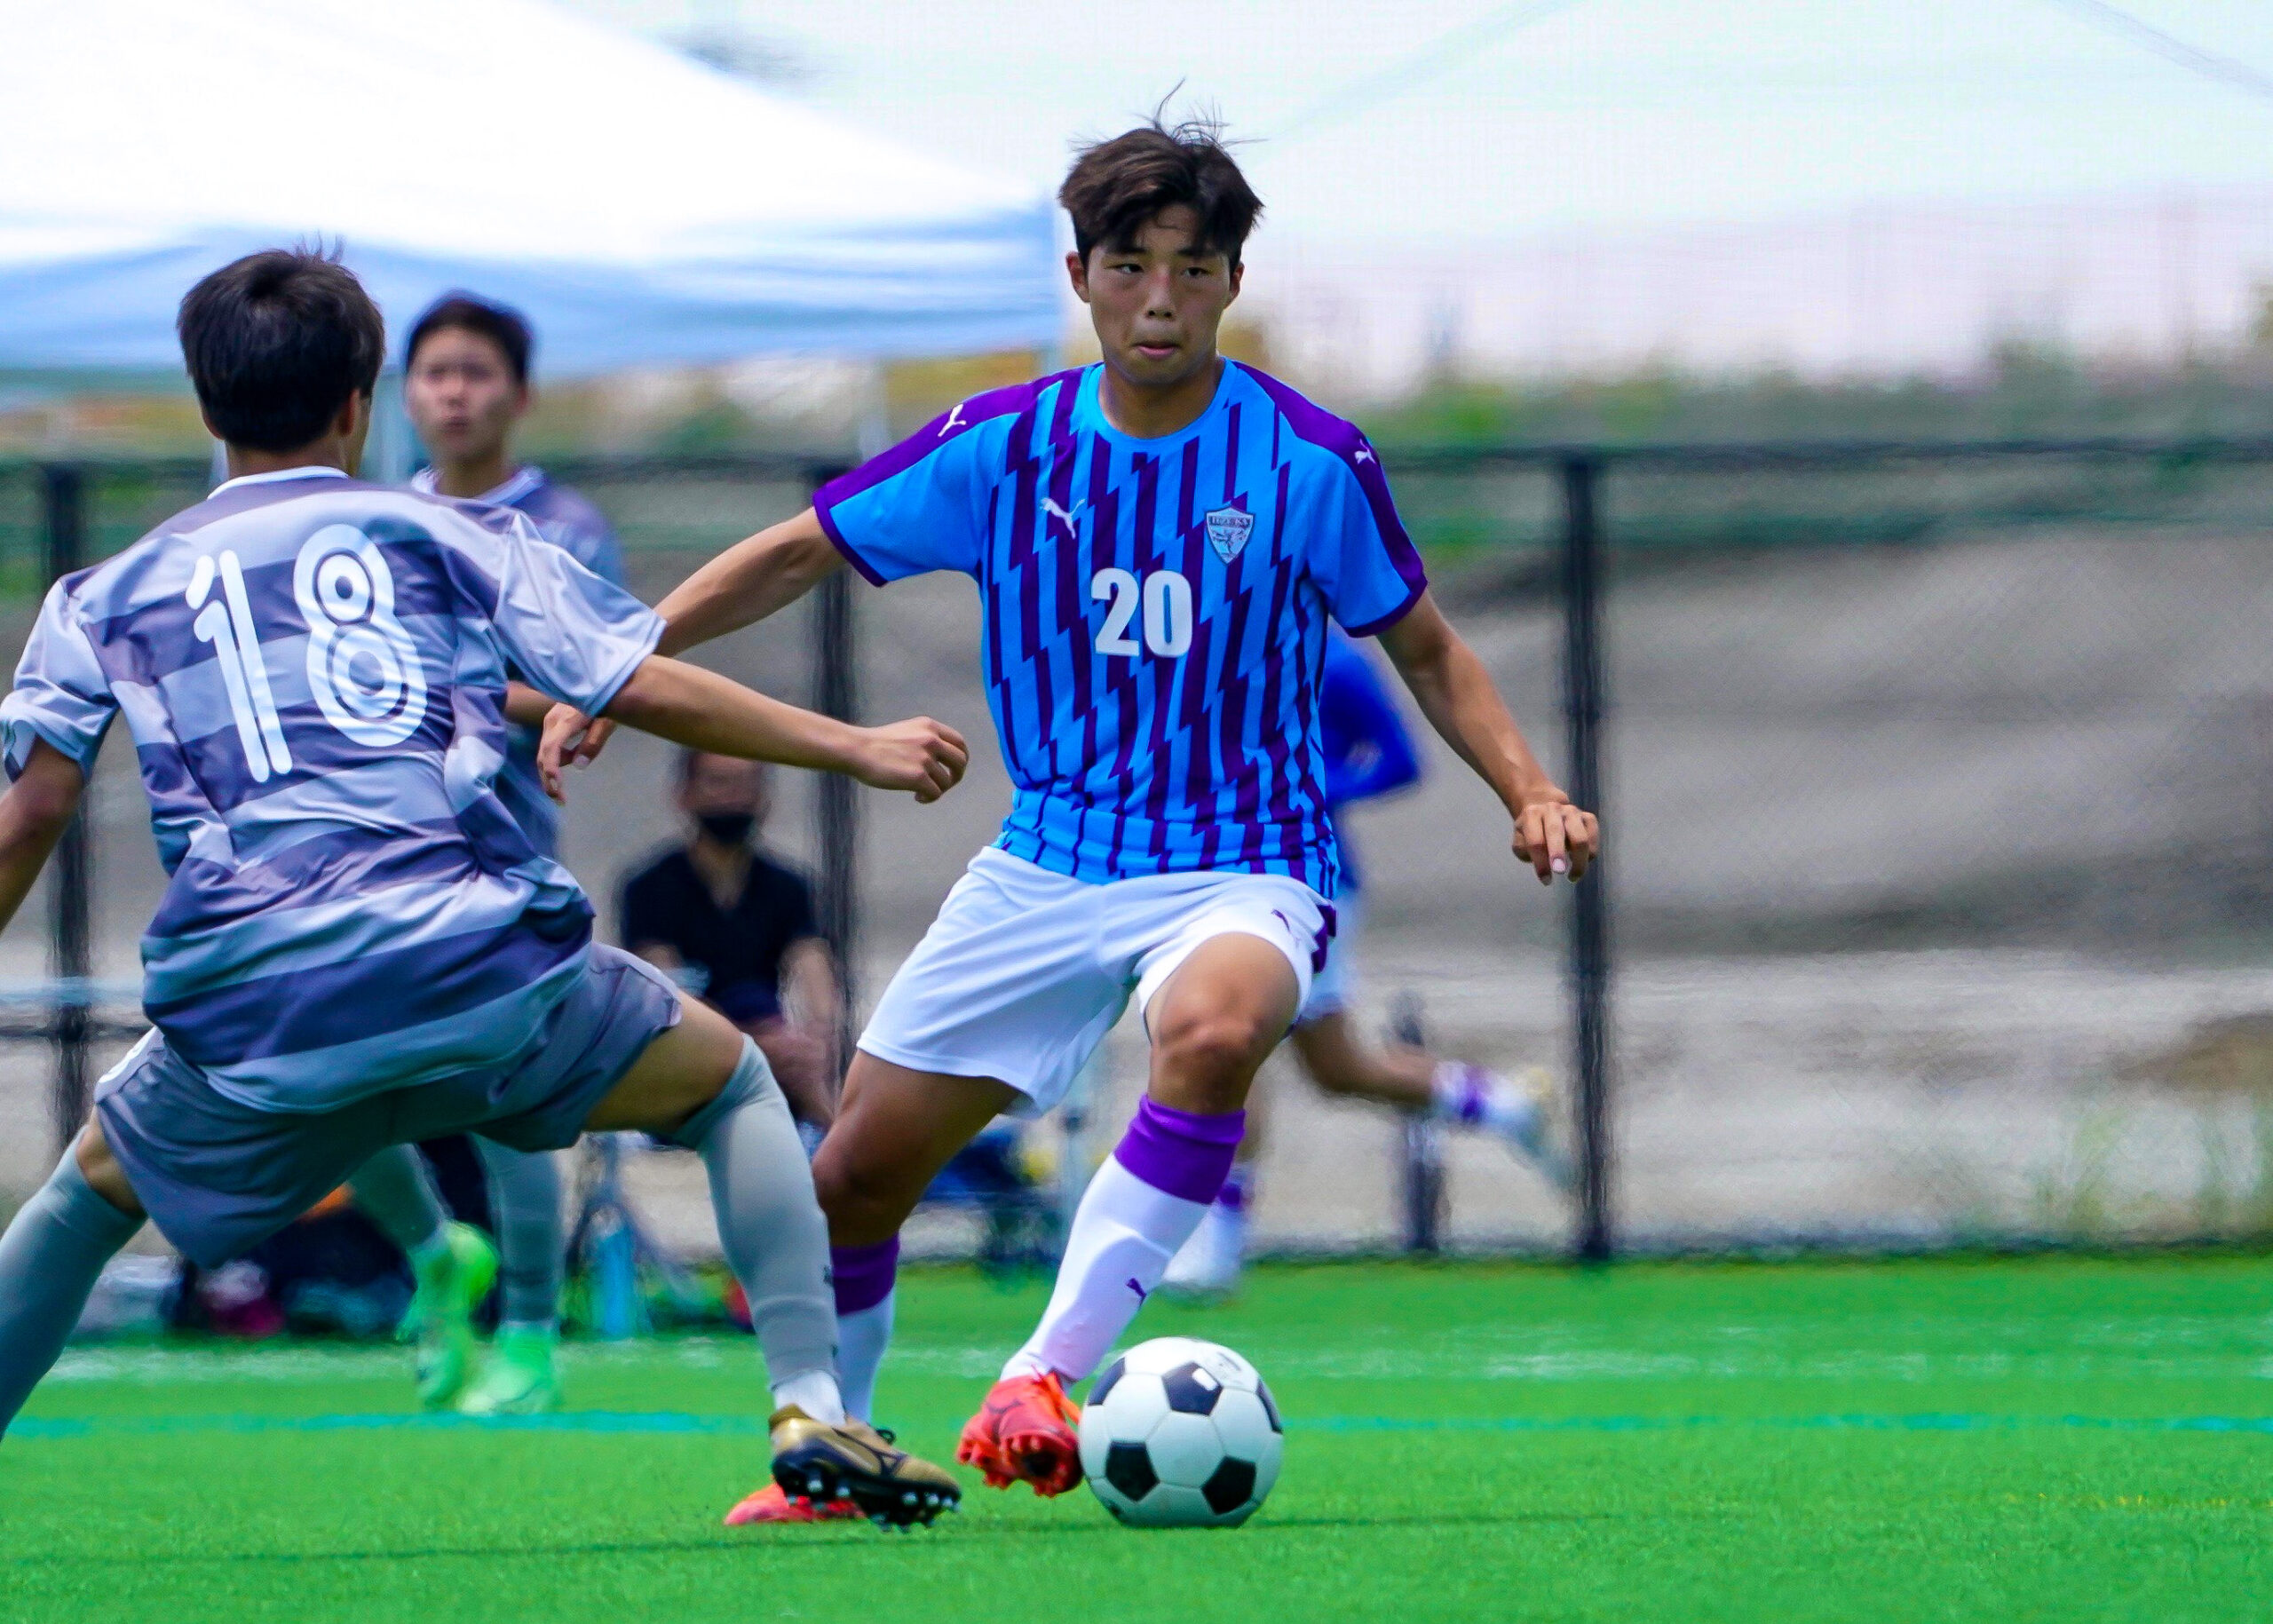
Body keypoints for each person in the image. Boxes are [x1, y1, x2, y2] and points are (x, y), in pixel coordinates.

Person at [540, 116, 1598, 1509]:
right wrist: (617, 660)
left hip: (1245, 860)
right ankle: (834, 1459)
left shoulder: (1307, 462)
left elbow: (1427, 647)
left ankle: (1043, 1370)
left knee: (1216, 1033)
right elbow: (800, 550)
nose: (1160, 296)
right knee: (852, 1178)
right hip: (1048, 859)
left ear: (1229, 282)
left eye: (1192, 266)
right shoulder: (1004, 447)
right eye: (1130, 265)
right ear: (1081, 274)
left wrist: (1529, 786)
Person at [0, 248, 967, 1530]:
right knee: (730, 1082)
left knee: (80, 1199)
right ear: (364, 402)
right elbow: (633, 675)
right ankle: (809, 1401)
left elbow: (32, 812)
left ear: (204, 399)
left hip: (259, 1016)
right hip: (476, 966)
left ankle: (486, 1297)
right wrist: (850, 744)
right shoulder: (447, 530)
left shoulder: (97, 598)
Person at [345, 295, 631, 1417]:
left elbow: (590, 678)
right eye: (433, 373)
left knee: (509, 1101)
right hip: (362, 856)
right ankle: (431, 1250)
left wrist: (440, 681)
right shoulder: (363, 519)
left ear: (517, 392)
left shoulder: (562, 525)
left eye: (474, 372)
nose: (452, 392)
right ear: (400, 397)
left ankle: (528, 1331)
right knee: (328, 1079)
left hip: (497, 859)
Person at [1162, 629, 1572, 1296]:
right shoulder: (1201, 642)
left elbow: (1400, 759)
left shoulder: (1332, 659)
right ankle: (1502, 1104)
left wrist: (1302, 787)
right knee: (1336, 1068)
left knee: (1226, 1046)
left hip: (1304, 879)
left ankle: (1213, 1251)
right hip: (1208, 873)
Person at [622, 752, 842, 1129]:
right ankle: (837, 1135)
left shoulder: (787, 886)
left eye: (746, 784)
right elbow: (668, 991)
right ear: (684, 794)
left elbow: (812, 966)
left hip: (775, 1043)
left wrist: (817, 1038)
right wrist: (751, 1045)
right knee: (749, 1007)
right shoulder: (651, 887)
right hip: (689, 1042)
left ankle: (830, 1125)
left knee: (767, 1012)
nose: (733, 797)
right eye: (718, 782)